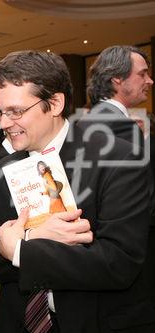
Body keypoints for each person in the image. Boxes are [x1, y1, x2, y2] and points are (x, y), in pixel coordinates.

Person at [0, 50, 155, 332]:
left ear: (55, 103)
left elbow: (118, 263)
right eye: (0, 112)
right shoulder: (2, 166)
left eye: (16, 111)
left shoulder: (118, 160)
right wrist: (33, 235)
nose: (4, 123)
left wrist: (22, 250)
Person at [81, 44, 155, 307]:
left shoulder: (87, 122)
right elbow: (142, 201)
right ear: (117, 79)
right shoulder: (119, 127)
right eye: (142, 74)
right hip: (123, 269)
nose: (150, 80)